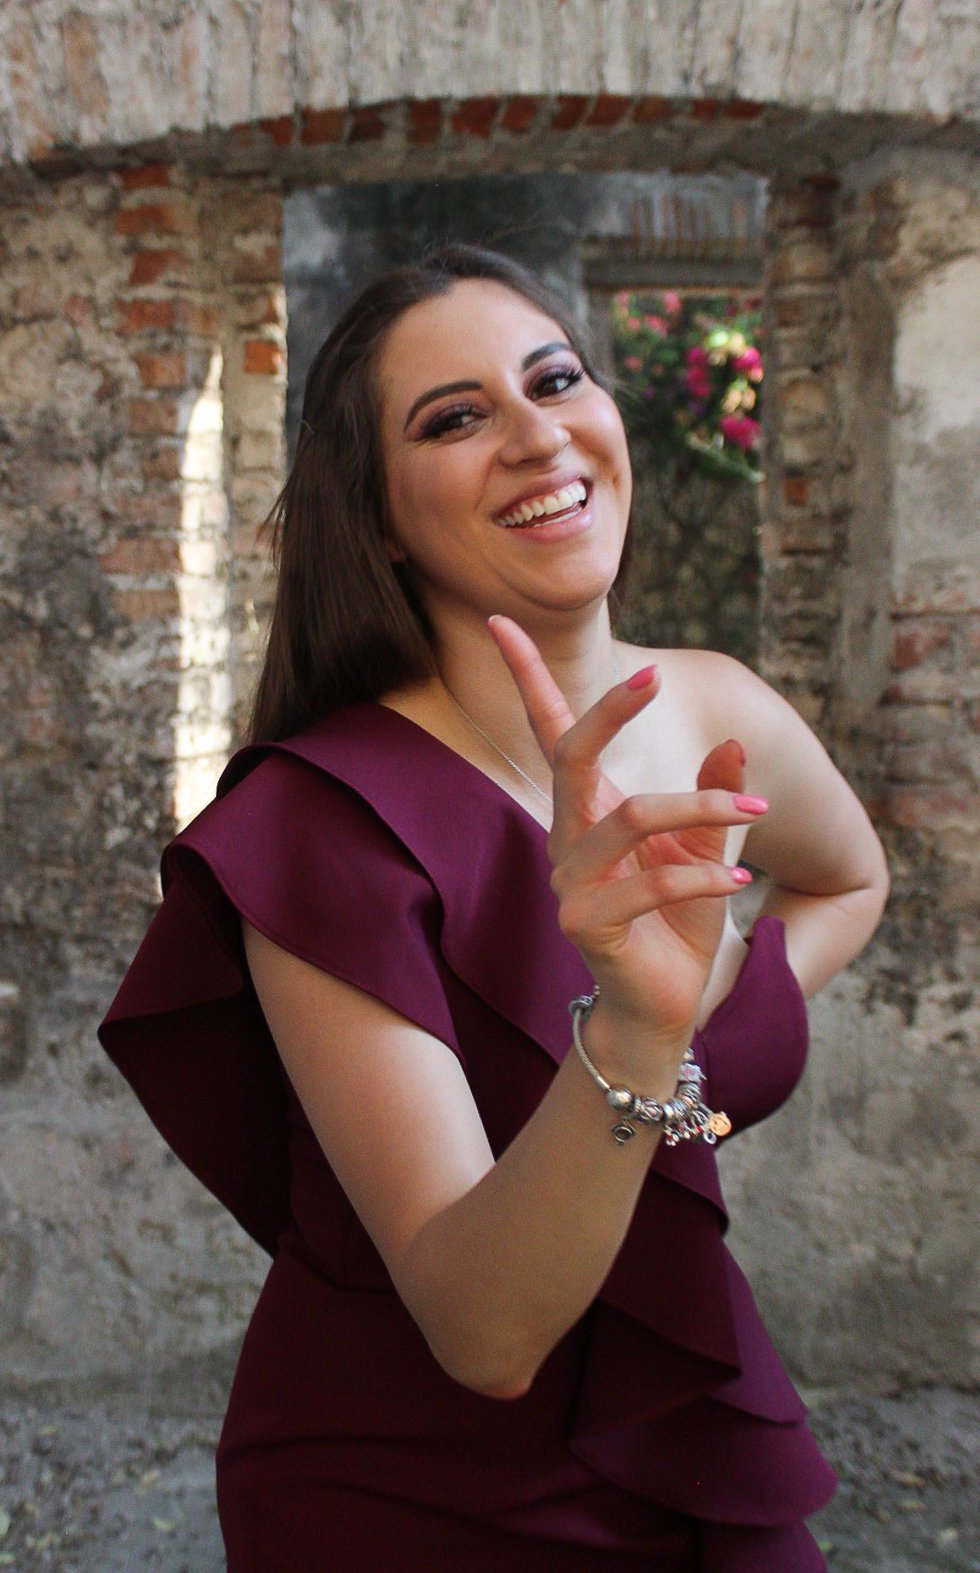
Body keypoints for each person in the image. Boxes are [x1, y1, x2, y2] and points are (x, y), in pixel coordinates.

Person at [100, 244, 889, 1571]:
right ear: (383, 513)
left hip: (699, 1437)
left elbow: (848, 875)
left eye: (555, 378)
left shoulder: (714, 706)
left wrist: (710, 1013)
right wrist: (637, 1033)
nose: (536, 434)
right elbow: (485, 1335)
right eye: (455, 418)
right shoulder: (321, 827)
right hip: (411, 1501)